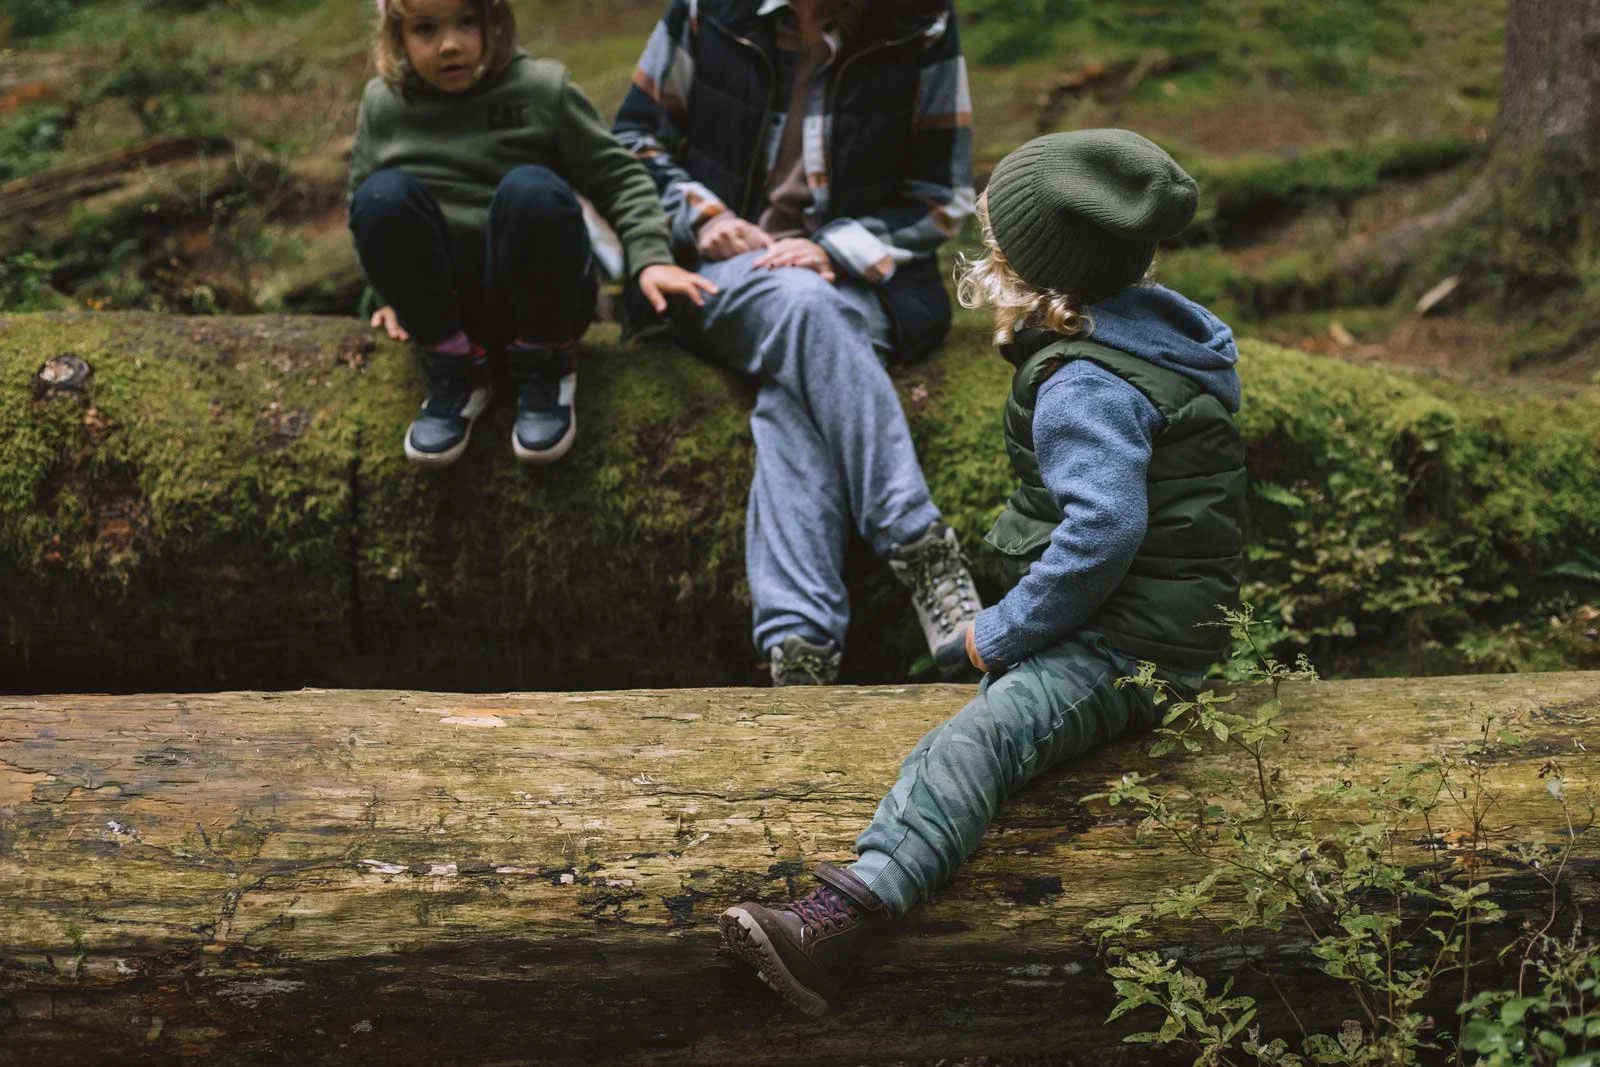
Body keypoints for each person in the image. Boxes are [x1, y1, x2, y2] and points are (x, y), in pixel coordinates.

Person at [717, 129, 1248, 1013]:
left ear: (1036, 266)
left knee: (977, 739)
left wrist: (999, 631)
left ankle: (846, 915)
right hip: (1155, 612)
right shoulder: (1154, 335)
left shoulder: (1086, 381)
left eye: (999, 234)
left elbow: (1106, 531)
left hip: (1131, 647)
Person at [612, 0, 983, 685]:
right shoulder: (707, 12)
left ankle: (800, 648)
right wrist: (704, 217)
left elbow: (942, 193)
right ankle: (920, 544)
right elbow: (632, 142)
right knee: (807, 309)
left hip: (859, 279)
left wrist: (831, 249)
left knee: (795, 389)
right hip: (716, 274)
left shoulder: (919, 20)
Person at [347, 0, 715, 466]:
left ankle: (546, 366)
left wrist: (651, 256)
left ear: (494, 21)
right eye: (425, 29)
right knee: (382, 196)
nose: (449, 45)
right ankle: (455, 370)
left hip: (541, 293)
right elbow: (361, 203)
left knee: (531, 190)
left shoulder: (541, 89)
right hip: (451, 306)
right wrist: (391, 293)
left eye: (467, 22)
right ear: (396, 37)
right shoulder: (384, 104)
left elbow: (618, 178)